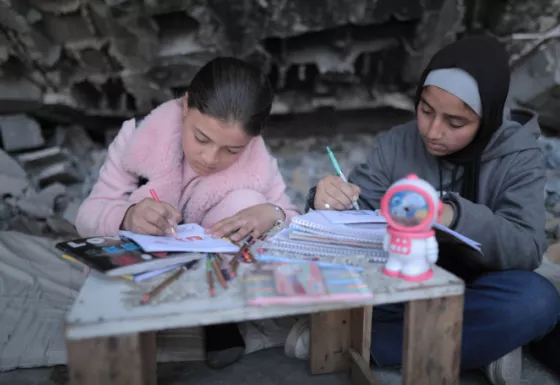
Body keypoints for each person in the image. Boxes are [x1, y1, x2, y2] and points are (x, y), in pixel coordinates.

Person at [303, 36, 560, 384]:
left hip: (482, 289)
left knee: (536, 301)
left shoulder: (519, 156)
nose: (433, 131)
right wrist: (326, 199)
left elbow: (526, 250)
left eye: (455, 123)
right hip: (406, 283)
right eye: (425, 110)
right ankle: (480, 348)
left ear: (487, 120)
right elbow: (357, 215)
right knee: (332, 275)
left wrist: (452, 215)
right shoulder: (400, 141)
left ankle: (364, 344)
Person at [75, 57, 301, 369]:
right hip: (144, 267)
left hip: (217, 277)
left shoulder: (259, 162)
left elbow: (293, 220)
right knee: (113, 353)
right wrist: (127, 215)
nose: (210, 158)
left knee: (248, 202)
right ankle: (139, 314)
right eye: (201, 138)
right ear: (185, 106)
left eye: (231, 150)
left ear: (250, 141)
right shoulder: (138, 139)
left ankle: (219, 318)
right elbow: (88, 214)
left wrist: (271, 213)